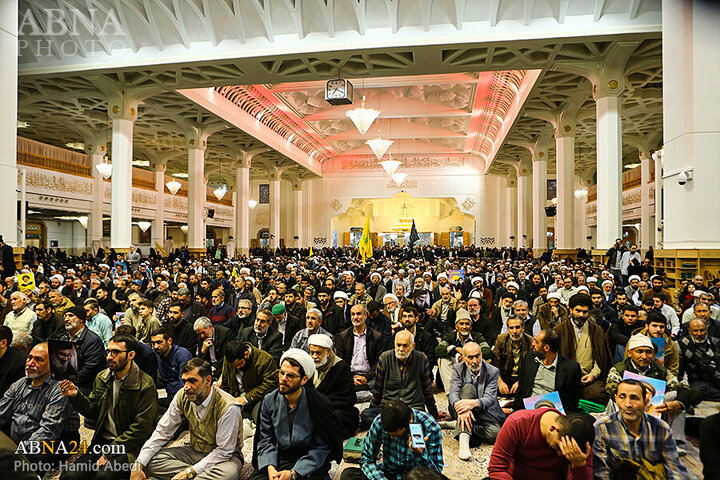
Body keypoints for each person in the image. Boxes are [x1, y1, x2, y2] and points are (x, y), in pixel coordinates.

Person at [59, 335, 158, 480]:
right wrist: (75, 395)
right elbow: (93, 411)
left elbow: (142, 428)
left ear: (131, 355)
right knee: (69, 476)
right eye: (108, 352)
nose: (109, 357)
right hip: (102, 442)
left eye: (116, 352)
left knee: (103, 476)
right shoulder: (102, 378)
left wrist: (109, 453)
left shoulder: (145, 385)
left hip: (130, 446)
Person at [130, 358, 244, 480]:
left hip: (225, 458)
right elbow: (162, 431)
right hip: (195, 451)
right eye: (184, 381)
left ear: (208, 381)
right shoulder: (182, 396)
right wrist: (138, 464)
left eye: (192, 381)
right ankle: (204, 476)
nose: (186, 387)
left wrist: (189, 472)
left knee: (228, 475)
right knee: (151, 462)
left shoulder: (228, 406)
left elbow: (224, 451)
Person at [250, 349, 343, 480]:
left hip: (308, 460)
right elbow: (265, 439)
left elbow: (321, 447)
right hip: (279, 458)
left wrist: (294, 473)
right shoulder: (269, 400)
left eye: (290, 376)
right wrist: (271, 468)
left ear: (304, 379)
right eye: (281, 373)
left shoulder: (319, 403)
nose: (283, 379)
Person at [605, 334, 699, 446]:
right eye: (639, 351)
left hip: (653, 408)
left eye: (648, 352)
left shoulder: (661, 371)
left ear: (654, 354)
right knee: (615, 398)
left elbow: (686, 390)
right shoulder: (619, 369)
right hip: (628, 406)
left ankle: (674, 441)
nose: (644, 356)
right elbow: (611, 389)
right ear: (630, 353)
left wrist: (679, 403)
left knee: (676, 396)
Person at [593, 379, 689, 479]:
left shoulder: (661, 429)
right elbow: (602, 473)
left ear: (646, 402)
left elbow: (675, 469)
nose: (628, 404)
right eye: (622, 397)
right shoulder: (602, 428)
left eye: (634, 398)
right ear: (616, 399)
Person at [0, 342, 80, 462]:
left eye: (39, 360)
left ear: (53, 364)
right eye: (29, 357)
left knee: (31, 459)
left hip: (54, 440)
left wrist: (17, 452)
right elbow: (1, 413)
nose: (30, 363)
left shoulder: (61, 389)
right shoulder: (19, 384)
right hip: (21, 438)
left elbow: (49, 431)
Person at [341, 399, 443, 480]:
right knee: (348, 475)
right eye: (388, 434)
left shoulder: (430, 427)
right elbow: (367, 458)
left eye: (395, 435)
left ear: (409, 423)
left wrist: (420, 454)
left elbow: (436, 474)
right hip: (389, 473)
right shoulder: (379, 421)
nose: (392, 437)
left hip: (415, 477)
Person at [488, 407, 595, 480]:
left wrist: (579, 465)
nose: (560, 454)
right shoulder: (517, 423)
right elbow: (497, 468)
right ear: (553, 429)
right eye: (558, 447)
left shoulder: (581, 442)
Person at [362, 330, 440, 427]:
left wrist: (434, 414)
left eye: (405, 346)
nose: (401, 349)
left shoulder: (422, 359)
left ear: (413, 346)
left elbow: (427, 390)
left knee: (427, 422)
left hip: (412, 408)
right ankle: (403, 427)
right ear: (394, 345)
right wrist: (371, 408)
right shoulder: (385, 358)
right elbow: (378, 390)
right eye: (398, 345)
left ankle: (392, 426)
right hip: (389, 407)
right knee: (365, 415)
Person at [449, 342, 505, 460]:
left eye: (477, 356)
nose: (475, 361)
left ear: (481, 355)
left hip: (483, 410)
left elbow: (490, 398)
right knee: (468, 388)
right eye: (470, 357)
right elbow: (453, 393)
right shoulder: (458, 369)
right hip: (461, 409)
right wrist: (462, 406)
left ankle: (457, 425)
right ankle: (464, 442)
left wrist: (473, 403)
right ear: (463, 358)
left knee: (496, 434)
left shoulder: (492, 371)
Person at [554, 294, 611, 405]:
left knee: (597, 394)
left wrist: (593, 375)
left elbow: (602, 358)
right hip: (566, 378)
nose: (581, 315)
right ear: (570, 309)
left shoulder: (597, 331)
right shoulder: (558, 331)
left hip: (590, 378)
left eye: (585, 312)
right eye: (577, 311)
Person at [513, 329, 582, 413]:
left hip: (553, 412)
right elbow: (521, 386)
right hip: (528, 410)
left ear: (546, 347)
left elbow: (573, 401)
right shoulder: (530, 358)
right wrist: (514, 409)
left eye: (536, 342)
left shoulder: (571, 368)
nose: (533, 344)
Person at [307, 333, 359, 439]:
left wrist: (319, 404)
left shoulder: (340, 367)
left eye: (318, 353)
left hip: (335, 409)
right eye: (312, 353)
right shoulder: (310, 366)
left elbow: (346, 399)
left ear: (328, 352)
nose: (314, 357)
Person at [334, 304, 385, 402]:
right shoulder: (343, 336)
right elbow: (340, 361)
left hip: (370, 377)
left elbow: (378, 362)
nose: (355, 317)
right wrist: (350, 377)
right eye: (353, 314)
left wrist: (366, 378)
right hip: (349, 376)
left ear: (365, 316)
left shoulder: (376, 337)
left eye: (358, 314)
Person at [220, 340, 278, 423]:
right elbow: (225, 382)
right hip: (234, 399)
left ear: (246, 354)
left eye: (239, 364)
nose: (237, 367)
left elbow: (269, 385)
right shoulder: (229, 359)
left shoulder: (265, 360)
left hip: (256, 400)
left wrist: (246, 399)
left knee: (259, 420)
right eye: (234, 365)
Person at [437, 308, 491, 394]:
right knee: (442, 360)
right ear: (456, 326)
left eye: (467, 324)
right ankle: (451, 393)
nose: (464, 327)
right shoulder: (450, 336)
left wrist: (468, 355)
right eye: (461, 324)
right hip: (454, 368)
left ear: (471, 326)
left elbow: (487, 351)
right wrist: (455, 349)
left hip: (472, 366)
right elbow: (439, 350)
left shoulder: (477, 336)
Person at [59, 305, 106, 395]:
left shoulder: (93, 340)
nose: (66, 319)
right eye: (66, 316)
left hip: (86, 386)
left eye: (70, 316)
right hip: (67, 382)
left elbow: (90, 369)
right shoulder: (64, 338)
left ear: (81, 319)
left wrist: (69, 382)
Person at [150, 325, 193, 408]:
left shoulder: (182, 354)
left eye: (159, 342)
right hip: (168, 393)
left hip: (183, 397)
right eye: (153, 343)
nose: (155, 346)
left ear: (169, 341)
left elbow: (185, 384)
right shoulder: (157, 354)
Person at [678, 318, 720, 401]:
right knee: (697, 391)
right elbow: (679, 370)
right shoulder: (681, 344)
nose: (699, 334)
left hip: (717, 377)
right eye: (695, 331)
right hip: (699, 381)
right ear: (689, 331)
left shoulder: (716, 342)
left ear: (706, 330)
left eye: (702, 330)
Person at [491, 316, 533, 398]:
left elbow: (531, 368)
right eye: (511, 328)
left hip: (522, 377)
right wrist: (499, 381)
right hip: (504, 376)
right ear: (508, 329)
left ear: (523, 328)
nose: (514, 331)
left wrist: (520, 382)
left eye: (517, 327)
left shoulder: (531, 342)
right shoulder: (501, 339)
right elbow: (495, 364)